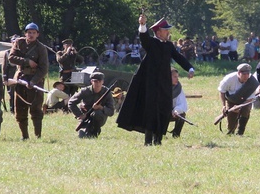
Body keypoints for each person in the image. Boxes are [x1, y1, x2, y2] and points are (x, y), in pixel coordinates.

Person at [116, 14, 194, 146]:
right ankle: (148, 141)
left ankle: (158, 140)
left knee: (163, 109)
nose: (168, 32)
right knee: (151, 111)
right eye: (166, 30)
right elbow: (144, 37)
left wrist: (190, 68)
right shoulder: (151, 43)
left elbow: (178, 58)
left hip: (164, 83)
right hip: (150, 83)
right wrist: (142, 24)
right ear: (158, 32)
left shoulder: (169, 45)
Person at [7, 22, 49, 140]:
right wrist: (27, 62)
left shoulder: (41, 48)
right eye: (29, 32)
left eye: (33, 33)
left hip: (35, 80)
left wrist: (34, 81)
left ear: (37, 34)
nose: (31, 35)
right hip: (21, 79)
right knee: (20, 109)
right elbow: (11, 58)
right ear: (25, 33)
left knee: (36, 109)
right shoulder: (19, 42)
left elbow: (43, 68)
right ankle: (24, 136)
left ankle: (38, 136)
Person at [68, 72, 114, 138]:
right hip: (85, 117)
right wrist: (80, 115)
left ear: (102, 82)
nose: (97, 83)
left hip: (99, 117)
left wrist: (101, 108)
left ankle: (95, 131)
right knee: (81, 136)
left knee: (96, 113)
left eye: (99, 81)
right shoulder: (84, 91)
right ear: (91, 81)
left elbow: (111, 111)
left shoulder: (107, 93)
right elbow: (71, 102)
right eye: (95, 81)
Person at [219, 63, 259, 135]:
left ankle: (240, 132)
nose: (246, 76)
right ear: (239, 73)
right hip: (231, 99)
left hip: (245, 100)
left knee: (246, 111)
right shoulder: (229, 79)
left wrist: (239, 107)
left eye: (247, 74)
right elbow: (222, 91)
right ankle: (231, 130)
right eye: (244, 74)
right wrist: (223, 106)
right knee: (231, 118)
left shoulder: (252, 83)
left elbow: (251, 99)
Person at [169, 68, 188, 138]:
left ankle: (176, 135)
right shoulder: (160, 87)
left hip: (171, 113)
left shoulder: (178, 88)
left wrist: (176, 111)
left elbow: (182, 103)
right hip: (159, 114)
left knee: (182, 115)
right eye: (175, 77)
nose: (177, 79)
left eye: (177, 77)